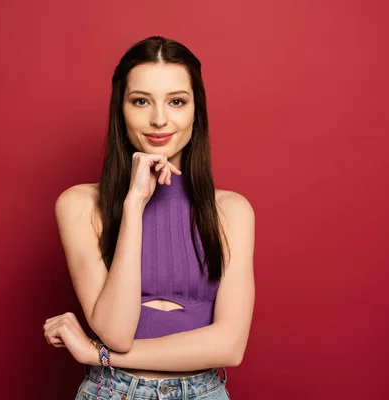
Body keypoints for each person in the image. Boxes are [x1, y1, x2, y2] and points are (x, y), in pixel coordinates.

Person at [43, 36, 255, 400]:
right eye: (141, 101)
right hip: (112, 392)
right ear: (120, 110)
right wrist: (134, 204)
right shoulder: (79, 204)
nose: (159, 119)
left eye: (176, 101)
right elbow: (117, 331)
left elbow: (229, 346)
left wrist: (97, 354)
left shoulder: (231, 211)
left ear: (195, 112)